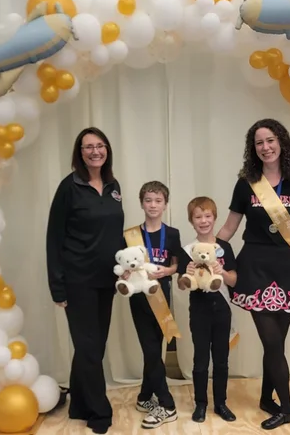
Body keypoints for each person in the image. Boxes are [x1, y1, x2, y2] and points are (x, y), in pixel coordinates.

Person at [216, 118, 290, 430]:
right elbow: (230, 228)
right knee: (272, 342)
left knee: (276, 344)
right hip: (255, 268)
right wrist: (209, 252)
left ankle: (264, 398)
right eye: (259, 142)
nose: (265, 147)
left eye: (270, 140)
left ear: (281, 142)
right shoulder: (246, 183)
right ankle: (287, 409)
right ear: (253, 149)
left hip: (288, 269)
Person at [45, 127, 123, 434]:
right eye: (88, 147)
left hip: (107, 280)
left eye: (100, 146)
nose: (95, 151)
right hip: (78, 280)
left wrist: (125, 268)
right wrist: (57, 286)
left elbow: (114, 232)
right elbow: (54, 238)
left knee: (94, 345)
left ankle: (78, 401)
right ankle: (99, 412)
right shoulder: (69, 187)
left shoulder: (113, 185)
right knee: (89, 345)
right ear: (80, 153)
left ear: (107, 150)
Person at [177, 196, 238, 424]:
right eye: (198, 217)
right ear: (192, 221)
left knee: (221, 359)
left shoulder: (225, 248)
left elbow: (233, 281)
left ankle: (221, 403)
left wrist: (221, 272)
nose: (203, 221)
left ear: (214, 217)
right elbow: (182, 285)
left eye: (207, 216)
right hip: (199, 311)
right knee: (200, 360)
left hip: (222, 310)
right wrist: (188, 274)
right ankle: (200, 404)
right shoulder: (187, 251)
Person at [129, 181, 181, 429]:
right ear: (142, 203)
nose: (153, 205)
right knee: (150, 350)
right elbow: (125, 266)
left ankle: (143, 397)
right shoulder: (131, 235)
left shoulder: (172, 234)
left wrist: (166, 271)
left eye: (158, 201)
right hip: (139, 298)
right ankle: (167, 404)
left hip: (162, 294)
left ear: (165, 204)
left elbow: (176, 265)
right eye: (148, 200)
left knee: (155, 349)